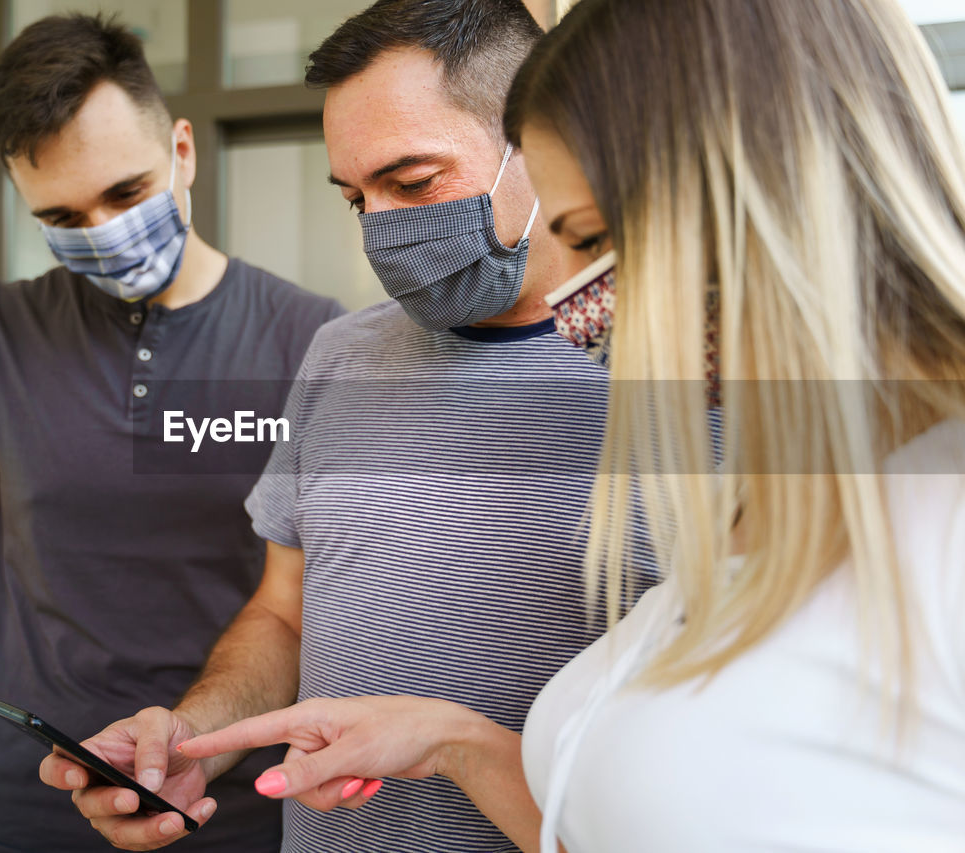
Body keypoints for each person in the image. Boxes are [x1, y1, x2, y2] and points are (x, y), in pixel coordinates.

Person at [176, 0, 965, 851]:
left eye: (588, 238)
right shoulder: (769, 508)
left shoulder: (904, 512)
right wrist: (452, 743)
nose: (580, 300)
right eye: (354, 197)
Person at [38, 2, 656, 851]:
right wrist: (193, 740)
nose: (383, 229)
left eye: (412, 182)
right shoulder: (340, 354)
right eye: (356, 196)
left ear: (541, 142)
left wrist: (461, 748)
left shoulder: (699, 385)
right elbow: (283, 614)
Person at [0, 14, 344, 853]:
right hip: (9, 812)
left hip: (221, 809)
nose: (104, 233)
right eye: (64, 215)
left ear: (183, 150)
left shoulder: (309, 341)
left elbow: (308, 607)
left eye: (125, 193)